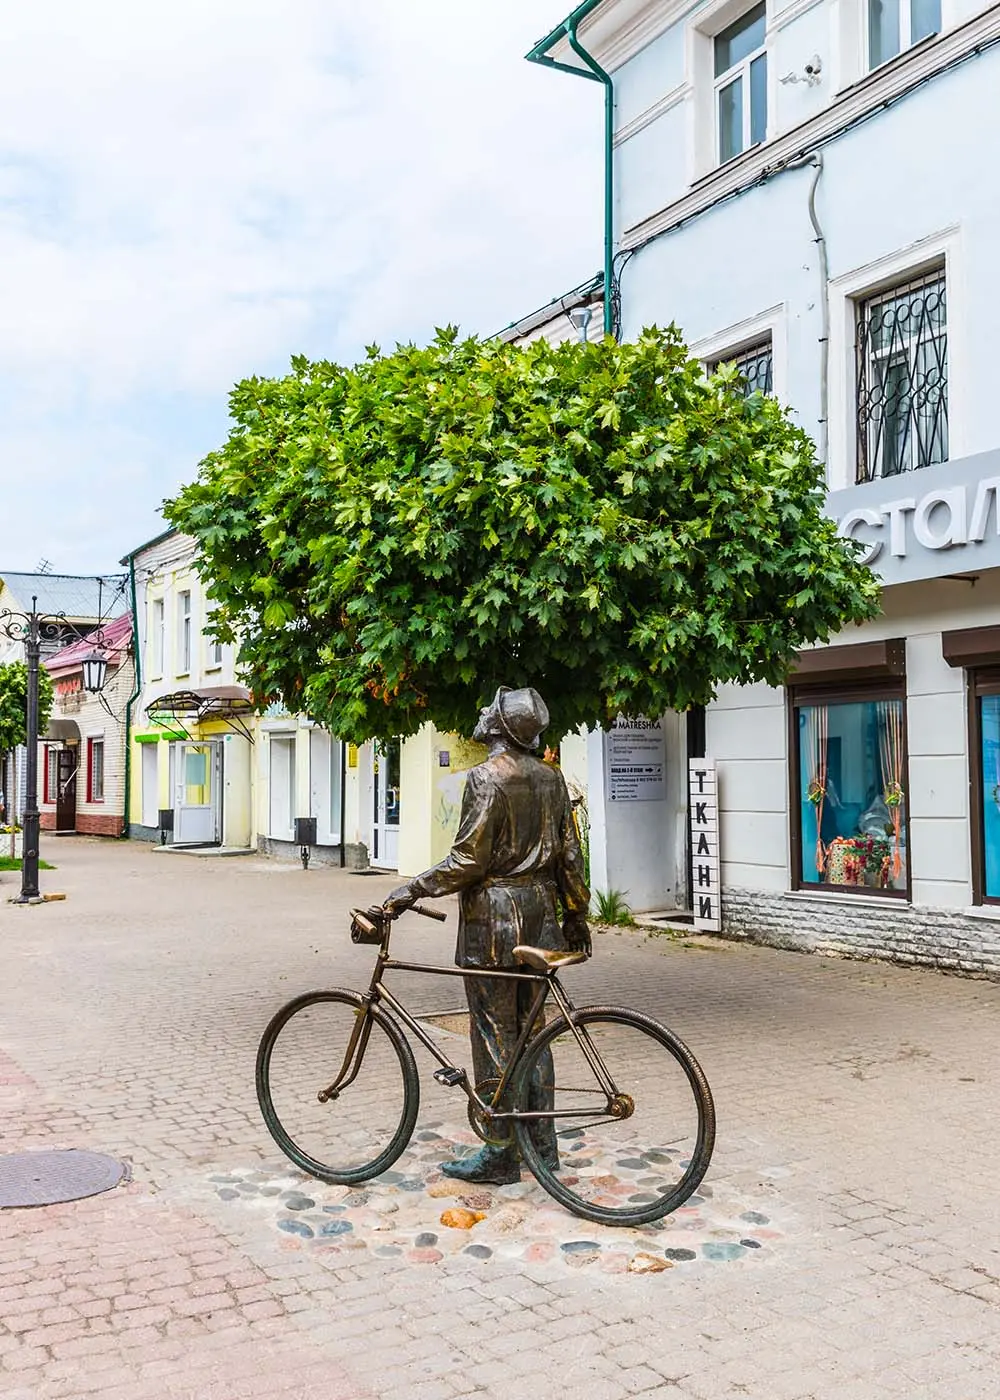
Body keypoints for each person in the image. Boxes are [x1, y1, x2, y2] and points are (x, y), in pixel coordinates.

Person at [384, 686, 591, 1185]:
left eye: (489, 710)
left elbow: (468, 861)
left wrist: (411, 890)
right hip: (540, 913)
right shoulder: (551, 779)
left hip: (494, 921)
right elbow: (570, 855)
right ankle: (542, 1146)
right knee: (535, 1035)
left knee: (497, 1037)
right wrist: (577, 914)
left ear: (499, 726)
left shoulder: (485, 779)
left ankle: (500, 1151)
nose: (480, 713)